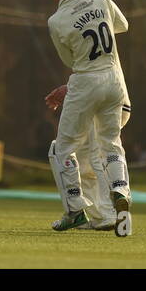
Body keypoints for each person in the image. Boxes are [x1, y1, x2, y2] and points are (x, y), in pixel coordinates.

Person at [41, 0, 132, 237]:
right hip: (115, 81)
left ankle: (74, 211)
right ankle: (119, 190)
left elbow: (70, 61)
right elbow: (123, 26)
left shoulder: (56, 21)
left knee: (62, 149)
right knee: (109, 144)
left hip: (85, 82)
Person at [45, 68, 132, 231]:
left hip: (102, 99)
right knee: (85, 162)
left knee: (95, 156)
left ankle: (108, 214)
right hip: (115, 94)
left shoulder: (73, 42)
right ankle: (99, 215)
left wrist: (71, 88)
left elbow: (96, 68)